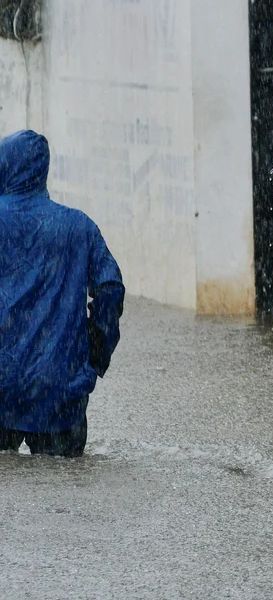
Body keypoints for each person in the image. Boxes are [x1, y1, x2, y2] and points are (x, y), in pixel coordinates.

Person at [0, 129, 124, 457]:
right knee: (66, 493)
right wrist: (95, 352)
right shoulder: (78, 227)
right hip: (59, 389)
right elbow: (110, 289)